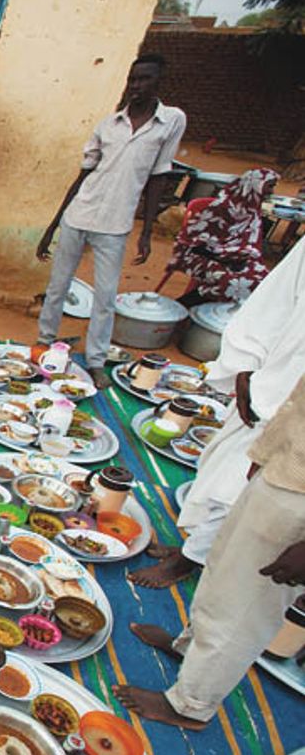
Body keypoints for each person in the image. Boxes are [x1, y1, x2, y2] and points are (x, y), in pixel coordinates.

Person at [115, 371, 305, 731]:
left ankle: (190, 705)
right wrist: (267, 452)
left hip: (298, 505)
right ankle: (191, 650)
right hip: (286, 471)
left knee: (248, 606)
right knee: (222, 571)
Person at [129, 237, 305, 590]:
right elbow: (275, 301)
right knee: (223, 468)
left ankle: (189, 561)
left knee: (234, 488)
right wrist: (244, 364)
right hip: (269, 378)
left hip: (291, 409)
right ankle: (193, 549)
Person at [35, 54, 186, 388]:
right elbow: (82, 176)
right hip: (80, 215)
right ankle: (44, 343)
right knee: (58, 285)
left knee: (105, 296)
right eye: (133, 79)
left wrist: (147, 231)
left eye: (144, 79)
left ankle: (96, 360)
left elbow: (158, 178)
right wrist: (53, 226)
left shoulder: (170, 122)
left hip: (115, 225)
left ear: (158, 83)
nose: (137, 86)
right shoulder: (108, 125)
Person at [165, 167, 278, 307]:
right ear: (256, 184)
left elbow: (248, 244)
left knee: (264, 281)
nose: (272, 191)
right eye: (270, 186)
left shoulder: (252, 210)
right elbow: (197, 244)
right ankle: (183, 306)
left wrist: (237, 255)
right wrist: (228, 256)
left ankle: (219, 315)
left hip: (232, 257)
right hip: (196, 256)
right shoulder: (222, 207)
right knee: (230, 282)